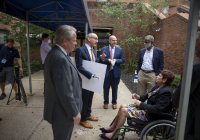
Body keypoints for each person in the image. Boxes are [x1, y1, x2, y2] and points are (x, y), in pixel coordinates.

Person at [100, 70, 175, 140]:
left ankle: (115, 135)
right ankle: (113, 127)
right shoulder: (158, 87)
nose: (156, 76)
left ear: (164, 80)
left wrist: (141, 104)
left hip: (151, 115)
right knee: (122, 106)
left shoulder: (166, 92)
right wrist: (138, 96)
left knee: (123, 111)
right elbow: (147, 96)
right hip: (146, 109)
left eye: (159, 75)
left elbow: (157, 108)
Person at [43, 25, 82, 140]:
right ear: (65, 41)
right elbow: (64, 91)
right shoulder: (59, 58)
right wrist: (74, 112)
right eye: (74, 41)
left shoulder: (56, 54)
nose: (76, 43)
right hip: (63, 113)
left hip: (61, 111)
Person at [75, 33, 106, 129]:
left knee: (89, 98)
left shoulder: (92, 50)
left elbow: (94, 62)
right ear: (89, 38)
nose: (97, 40)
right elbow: (79, 67)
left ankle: (88, 114)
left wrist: (100, 59)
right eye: (95, 38)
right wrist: (90, 75)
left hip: (92, 80)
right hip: (85, 80)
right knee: (84, 100)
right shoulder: (80, 50)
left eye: (97, 38)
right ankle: (83, 119)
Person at [173, 32, 200, 140]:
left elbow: (180, 93)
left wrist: (175, 104)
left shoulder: (195, 68)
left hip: (193, 121)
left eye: (196, 41)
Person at [99, 35, 125, 109]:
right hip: (107, 72)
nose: (115, 42)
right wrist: (106, 60)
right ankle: (106, 102)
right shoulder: (104, 49)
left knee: (115, 88)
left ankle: (114, 102)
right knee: (106, 88)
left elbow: (123, 60)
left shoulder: (119, 50)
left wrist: (116, 60)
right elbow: (100, 60)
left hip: (115, 73)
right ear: (109, 41)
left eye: (116, 40)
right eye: (113, 40)